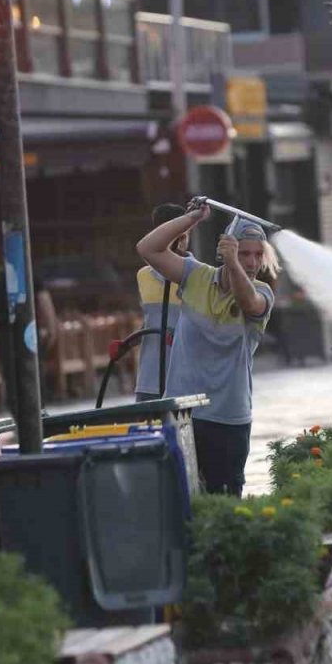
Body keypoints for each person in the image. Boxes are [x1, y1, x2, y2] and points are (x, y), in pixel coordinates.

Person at [136, 203, 279, 496]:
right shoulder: (195, 276)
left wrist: (233, 263)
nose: (252, 262)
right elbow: (148, 248)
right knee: (178, 499)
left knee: (224, 501)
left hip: (229, 417)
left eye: (257, 255)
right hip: (183, 415)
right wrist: (191, 219)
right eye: (244, 253)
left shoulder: (262, 293)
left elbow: (248, 302)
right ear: (225, 250)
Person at [135, 204, 194, 402]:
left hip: (186, 380)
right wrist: (133, 338)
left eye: (184, 234)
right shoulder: (143, 276)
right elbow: (152, 319)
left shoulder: (200, 276)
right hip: (149, 379)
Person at [0, 268, 59, 416]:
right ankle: (40, 414)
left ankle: (18, 415)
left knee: (11, 376)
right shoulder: (30, 276)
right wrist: (51, 328)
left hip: (5, 333)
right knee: (33, 373)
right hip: (29, 332)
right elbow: (45, 303)